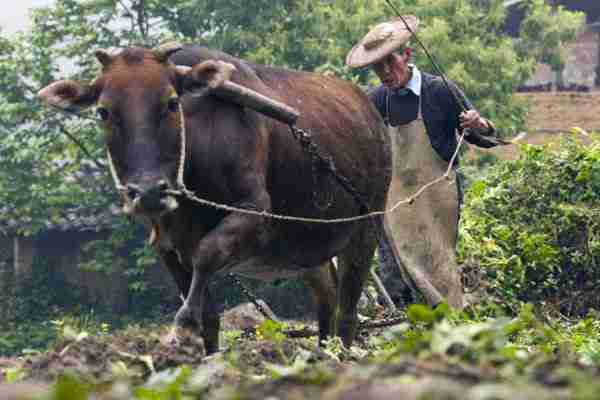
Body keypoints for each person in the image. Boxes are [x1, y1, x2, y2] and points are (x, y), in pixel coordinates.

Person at [346, 16, 503, 308]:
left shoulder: (441, 91)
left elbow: (482, 137)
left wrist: (480, 125)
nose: (384, 72)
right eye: (376, 67)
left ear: (407, 54)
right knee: (394, 271)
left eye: (389, 62)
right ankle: (401, 329)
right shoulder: (376, 101)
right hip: (394, 200)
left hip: (437, 198)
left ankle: (448, 323)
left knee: (439, 266)